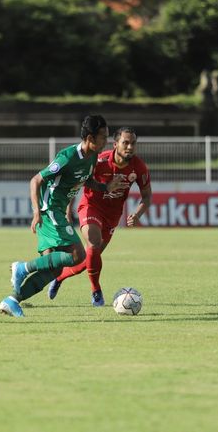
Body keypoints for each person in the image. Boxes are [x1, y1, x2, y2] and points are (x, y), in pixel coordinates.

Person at [0, 115, 128, 317]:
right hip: (49, 210)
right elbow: (35, 180)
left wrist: (105, 186)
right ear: (90, 137)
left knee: (54, 269)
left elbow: (86, 180)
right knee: (78, 255)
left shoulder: (92, 156)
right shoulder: (67, 157)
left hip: (57, 211)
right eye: (103, 136)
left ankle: (12, 300)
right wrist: (36, 212)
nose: (107, 141)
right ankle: (22, 267)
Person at [47, 127, 152, 306]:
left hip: (112, 216)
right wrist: (68, 209)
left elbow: (147, 196)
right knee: (93, 243)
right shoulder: (99, 160)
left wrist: (137, 214)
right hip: (90, 206)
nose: (129, 147)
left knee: (90, 258)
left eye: (133, 143)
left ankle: (59, 277)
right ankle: (96, 292)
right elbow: (78, 180)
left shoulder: (139, 167)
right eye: (125, 143)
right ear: (115, 144)